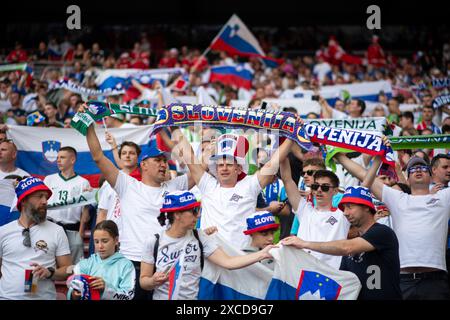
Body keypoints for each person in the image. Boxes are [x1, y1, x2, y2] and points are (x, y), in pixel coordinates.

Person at [80, 104, 195, 299]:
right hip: (132, 263)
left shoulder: (176, 185)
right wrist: (89, 123)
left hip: (167, 263)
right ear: (143, 165)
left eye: (164, 160)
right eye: (157, 160)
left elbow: (196, 165)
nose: (163, 164)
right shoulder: (128, 185)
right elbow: (98, 157)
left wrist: (175, 128)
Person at [335, 154, 450, 299]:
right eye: (413, 169)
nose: (418, 170)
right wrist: (338, 156)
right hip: (402, 280)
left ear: (431, 174)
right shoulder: (398, 199)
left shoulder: (444, 197)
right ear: (406, 178)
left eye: (422, 168)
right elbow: (362, 173)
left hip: (435, 279)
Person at [139, 191, 275, 300]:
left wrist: (262, 253)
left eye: (198, 210)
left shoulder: (200, 237)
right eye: (193, 211)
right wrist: (153, 281)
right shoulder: (153, 241)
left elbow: (228, 262)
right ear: (177, 214)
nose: (198, 215)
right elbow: (143, 282)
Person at [174, 131, 294, 249]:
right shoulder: (207, 184)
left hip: (243, 257)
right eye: (220, 165)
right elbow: (189, 156)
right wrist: (173, 126)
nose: (224, 168)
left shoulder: (249, 184)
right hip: (211, 256)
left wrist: (291, 135)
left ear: (238, 168)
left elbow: (272, 164)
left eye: (229, 164)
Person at [282, 183, 402, 300]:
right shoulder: (350, 246)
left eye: (350, 206)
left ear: (366, 207)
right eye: (344, 208)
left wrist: (304, 243)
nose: (345, 212)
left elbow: (347, 247)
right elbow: (343, 281)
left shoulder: (382, 232)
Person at [0, 177, 72, 300]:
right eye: (39, 196)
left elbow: (69, 269)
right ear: (23, 201)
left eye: (46, 197)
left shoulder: (57, 230)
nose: (45, 201)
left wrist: (50, 272)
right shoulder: (3, 231)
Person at [281, 155, 350, 269]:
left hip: (331, 276)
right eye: (315, 186)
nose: (319, 190)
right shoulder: (304, 209)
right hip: (304, 273)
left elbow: (365, 183)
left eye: (325, 187)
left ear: (335, 191)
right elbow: (287, 179)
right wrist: (283, 145)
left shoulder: (343, 214)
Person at [44, 146, 91, 264]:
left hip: (72, 229)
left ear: (72, 160)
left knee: (74, 267)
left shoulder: (83, 182)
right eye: (58, 158)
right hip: (50, 227)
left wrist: (80, 233)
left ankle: (74, 283)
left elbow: (85, 212)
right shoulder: (49, 180)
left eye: (62, 157)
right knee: (48, 263)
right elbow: (42, 205)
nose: (58, 160)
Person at [67, 220, 135, 300]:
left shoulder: (126, 265)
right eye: (96, 242)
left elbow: (128, 296)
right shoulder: (85, 264)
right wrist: (74, 294)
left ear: (116, 240)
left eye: (105, 241)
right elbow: (73, 289)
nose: (100, 246)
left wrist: (106, 289)